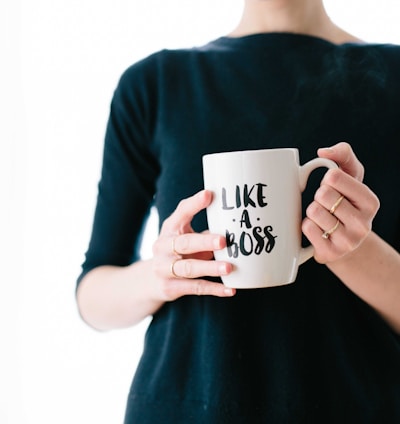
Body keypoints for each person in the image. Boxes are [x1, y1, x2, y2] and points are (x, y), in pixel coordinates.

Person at [76, 0, 400, 422]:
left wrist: (352, 249)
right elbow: (92, 296)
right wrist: (161, 274)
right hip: (183, 409)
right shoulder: (155, 85)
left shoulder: (392, 78)